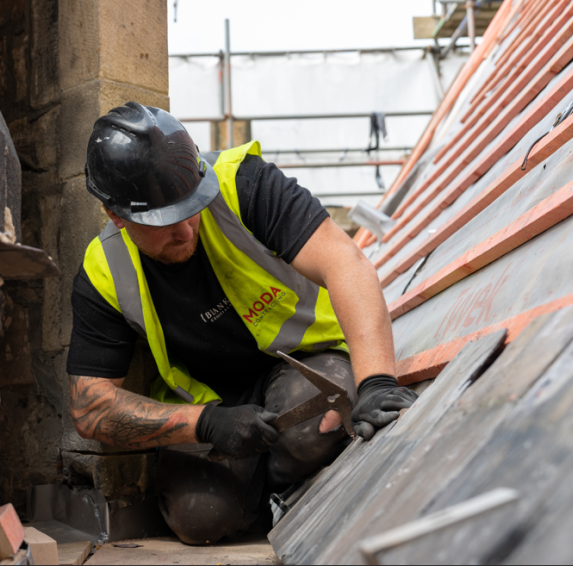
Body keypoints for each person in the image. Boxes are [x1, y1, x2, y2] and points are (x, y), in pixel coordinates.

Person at [67, 102, 418, 544]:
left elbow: (344, 262)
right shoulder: (103, 271)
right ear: (116, 216)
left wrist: (378, 381)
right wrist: (206, 425)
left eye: (190, 208)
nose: (186, 230)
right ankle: (260, 500)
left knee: (317, 428)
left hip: (300, 366)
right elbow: (89, 407)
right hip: (212, 403)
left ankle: (288, 491)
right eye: (164, 222)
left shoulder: (243, 183)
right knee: (199, 519)